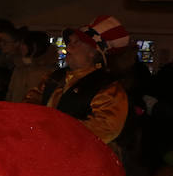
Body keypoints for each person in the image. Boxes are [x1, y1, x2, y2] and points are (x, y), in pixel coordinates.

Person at [26, 15, 129, 145]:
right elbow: (31, 100)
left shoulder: (108, 88)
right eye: (69, 43)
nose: (68, 48)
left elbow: (104, 129)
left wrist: (53, 129)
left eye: (76, 43)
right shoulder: (55, 76)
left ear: (93, 52)